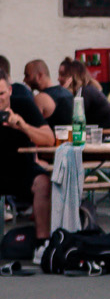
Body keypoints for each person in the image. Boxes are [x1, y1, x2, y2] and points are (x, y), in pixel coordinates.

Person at [0, 73, 54, 240]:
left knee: (43, 182)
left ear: (9, 91)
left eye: (1, 94)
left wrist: (23, 126)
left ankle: (42, 243)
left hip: (22, 168)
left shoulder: (23, 105)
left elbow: (49, 139)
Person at [66, 58, 110, 134]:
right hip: (101, 132)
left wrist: (64, 93)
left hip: (105, 135)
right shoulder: (88, 89)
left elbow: (73, 117)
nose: (58, 78)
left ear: (72, 77)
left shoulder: (85, 92)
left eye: (63, 75)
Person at [23, 60, 74, 130]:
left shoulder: (40, 98)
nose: (24, 80)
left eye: (27, 75)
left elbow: (32, 128)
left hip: (50, 140)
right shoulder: (67, 93)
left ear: (39, 75)